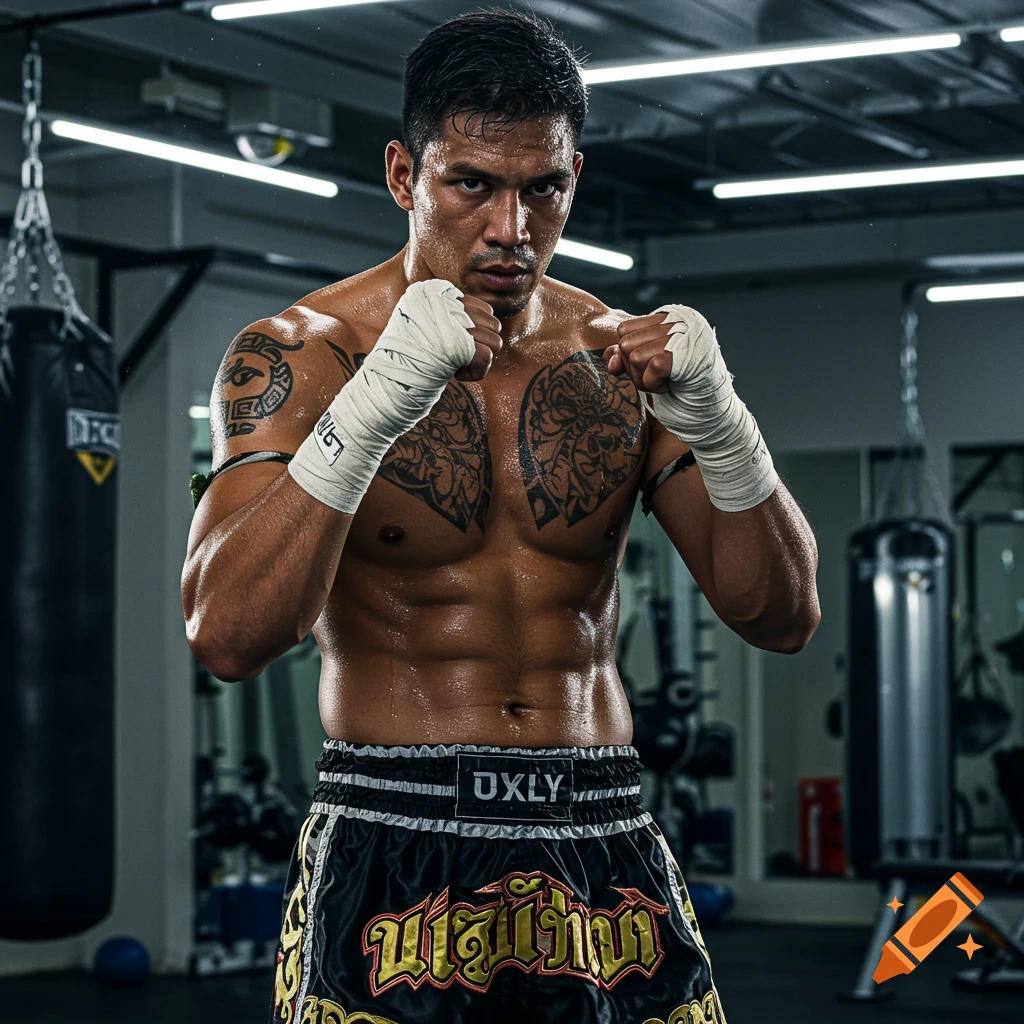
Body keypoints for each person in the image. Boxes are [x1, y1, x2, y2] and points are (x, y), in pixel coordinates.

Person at [182, 10, 819, 1024]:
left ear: (576, 176)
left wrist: (724, 426)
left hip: (600, 834)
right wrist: (373, 403)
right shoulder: (306, 354)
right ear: (404, 175)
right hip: (395, 835)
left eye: (543, 188)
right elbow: (225, 633)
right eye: (470, 182)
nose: (510, 229)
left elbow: (779, 615)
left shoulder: (619, 358)